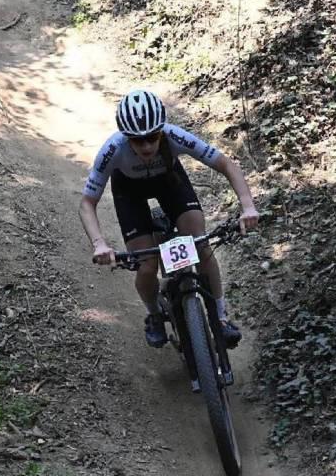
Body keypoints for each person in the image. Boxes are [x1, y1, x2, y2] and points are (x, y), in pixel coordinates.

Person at [79, 89, 259, 348]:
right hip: (129, 192)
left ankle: (220, 317)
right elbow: (87, 203)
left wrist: (248, 207)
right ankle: (154, 314)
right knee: (147, 265)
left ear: (161, 131)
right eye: (137, 140)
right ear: (125, 137)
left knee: (200, 244)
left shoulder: (175, 136)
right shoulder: (113, 150)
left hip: (169, 182)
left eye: (152, 138)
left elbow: (227, 165)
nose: (146, 146)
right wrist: (99, 243)